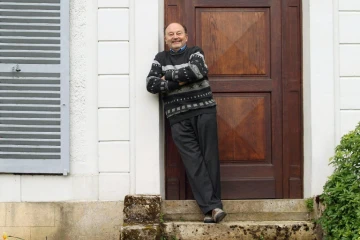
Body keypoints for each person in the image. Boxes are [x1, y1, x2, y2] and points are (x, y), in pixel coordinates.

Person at [146, 22, 226, 223]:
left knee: (209, 159)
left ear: (186, 36)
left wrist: (169, 77)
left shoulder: (195, 52)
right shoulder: (160, 58)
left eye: (179, 33)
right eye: (170, 34)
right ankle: (213, 208)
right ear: (165, 39)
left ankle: (212, 209)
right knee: (193, 162)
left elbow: (198, 71)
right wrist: (182, 79)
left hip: (204, 111)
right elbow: (151, 84)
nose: (175, 36)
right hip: (177, 117)